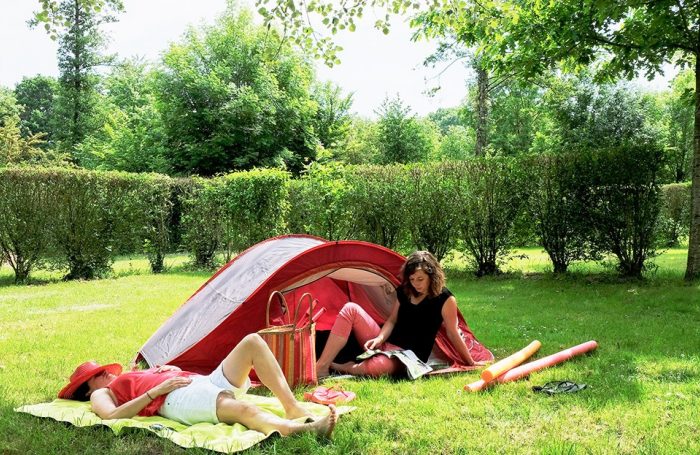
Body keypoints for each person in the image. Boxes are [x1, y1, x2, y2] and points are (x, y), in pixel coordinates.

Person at [59, 333, 337, 438]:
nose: (106, 374)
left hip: (198, 382)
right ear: (88, 387)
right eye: (98, 374)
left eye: (103, 371)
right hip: (174, 399)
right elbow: (111, 416)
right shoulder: (101, 394)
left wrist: (167, 371)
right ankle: (295, 430)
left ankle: (291, 408)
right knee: (241, 409)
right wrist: (155, 391)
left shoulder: (125, 377)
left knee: (252, 341)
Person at [316, 250, 484, 378]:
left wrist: (470, 362)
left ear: (432, 276)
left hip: (410, 356)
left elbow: (453, 333)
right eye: (412, 279)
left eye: (420, 279)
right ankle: (321, 367)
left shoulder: (445, 299)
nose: (416, 284)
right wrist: (379, 339)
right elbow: (391, 321)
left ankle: (343, 367)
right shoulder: (405, 291)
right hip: (388, 343)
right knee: (350, 309)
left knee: (378, 367)